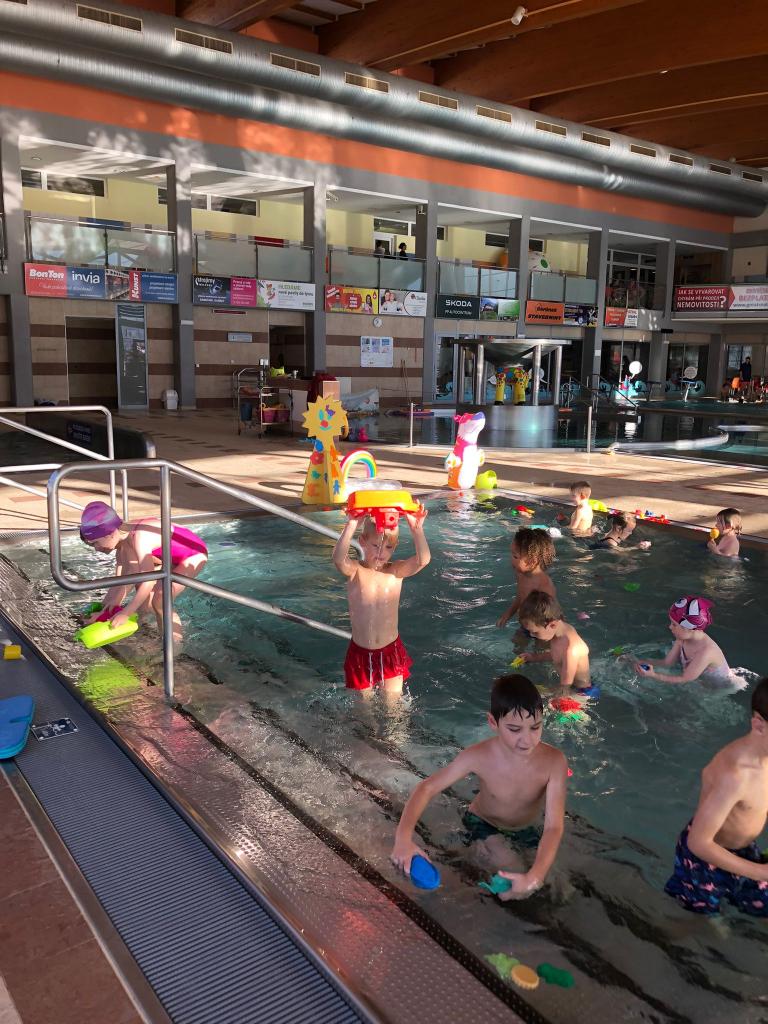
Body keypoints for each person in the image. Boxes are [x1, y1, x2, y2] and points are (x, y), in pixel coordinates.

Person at [390, 674, 568, 899]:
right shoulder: (478, 756)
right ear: (493, 722)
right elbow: (427, 788)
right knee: (512, 872)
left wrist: (536, 876)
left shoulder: (554, 762)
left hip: (526, 830)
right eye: (514, 729)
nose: (527, 740)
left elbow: (553, 826)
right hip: (484, 824)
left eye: (535, 727)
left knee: (557, 886)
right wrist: (403, 840)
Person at [664, 677, 768, 916]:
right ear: (759, 725)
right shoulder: (734, 775)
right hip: (702, 860)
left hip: (743, 849)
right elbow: (698, 843)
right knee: (703, 923)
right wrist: (761, 872)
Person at [79, 501, 208, 644]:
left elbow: (149, 580)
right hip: (166, 557)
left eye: (95, 543)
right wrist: (104, 611)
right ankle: (157, 637)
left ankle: (175, 647)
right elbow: (121, 582)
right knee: (144, 599)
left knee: (160, 600)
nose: (96, 549)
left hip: (193, 554)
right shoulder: (123, 543)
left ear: (109, 534)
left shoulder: (140, 538)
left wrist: (126, 613)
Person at [332, 509, 430, 695]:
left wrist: (417, 530)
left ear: (395, 547)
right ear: (362, 542)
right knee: (363, 707)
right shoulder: (355, 571)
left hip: (390, 650)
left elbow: (423, 560)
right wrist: (351, 525)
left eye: (388, 547)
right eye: (376, 545)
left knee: (393, 703)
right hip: (360, 652)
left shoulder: (396, 571)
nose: (381, 552)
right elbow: (338, 559)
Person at [635, 596, 731, 685]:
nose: (670, 627)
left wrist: (653, 675)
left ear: (690, 628)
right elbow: (667, 662)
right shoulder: (682, 639)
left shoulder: (706, 652)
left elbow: (684, 679)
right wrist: (642, 661)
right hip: (699, 679)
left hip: (721, 686)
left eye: (674, 624)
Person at [517, 591, 595, 696]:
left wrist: (545, 693)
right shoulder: (559, 632)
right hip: (569, 685)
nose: (531, 635)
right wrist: (534, 657)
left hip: (582, 692)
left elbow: (564, 688)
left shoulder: (571, 649)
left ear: (552, 625)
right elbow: (556, 654)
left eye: (535, 632)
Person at [496, 528, 557, 629]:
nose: (511, 559)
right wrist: (507, 615)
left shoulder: (544, 586)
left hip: (540, 628)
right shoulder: (520, 575)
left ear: (532, 561)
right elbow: (520, 596)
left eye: (515, 556)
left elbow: (552, 615)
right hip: (526, 624)